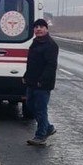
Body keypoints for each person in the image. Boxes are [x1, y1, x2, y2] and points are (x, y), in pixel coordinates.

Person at [23, 18, 59, 146]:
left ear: (46, 29)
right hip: (31, 81)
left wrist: (42, 81)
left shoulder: (50, 45)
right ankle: (48, 127)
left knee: (40, 109)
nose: (38, 29)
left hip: (42, 84)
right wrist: (26, 75)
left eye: (41, 27)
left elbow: (51, 66)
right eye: (36, 27)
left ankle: (40, 135)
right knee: (30, 105)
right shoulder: (35, 42)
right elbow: (32, 63)